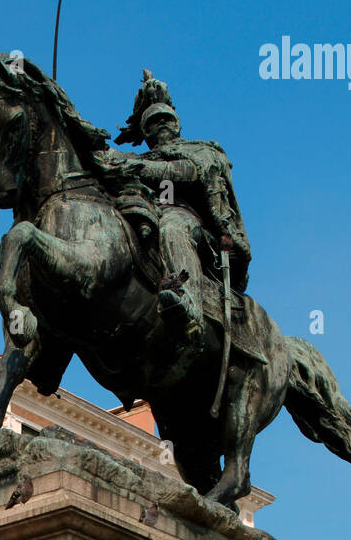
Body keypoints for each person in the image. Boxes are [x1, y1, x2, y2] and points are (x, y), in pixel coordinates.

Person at [101, 70, 251, 356]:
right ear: (144, 132)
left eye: (164, 119)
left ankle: (189, 303)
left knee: (171, 226)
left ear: (176, 122)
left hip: (192, 223)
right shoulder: (138, 159)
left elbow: (182, 173)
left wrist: (128, 164)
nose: (160, 126)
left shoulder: (198, 151)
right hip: (146, 215)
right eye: (152, 123)